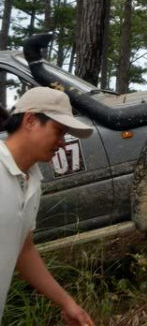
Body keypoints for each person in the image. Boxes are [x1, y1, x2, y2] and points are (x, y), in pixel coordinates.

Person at [0, 87, 95, 325]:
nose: (62, 143)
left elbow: (24, 249)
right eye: (58, 131)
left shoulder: (31, 181)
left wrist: (67, 303)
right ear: (30, 120)